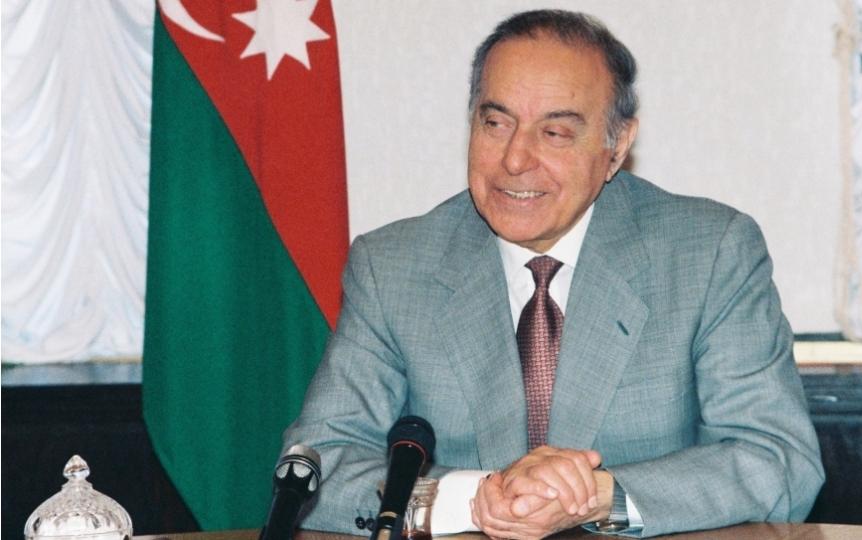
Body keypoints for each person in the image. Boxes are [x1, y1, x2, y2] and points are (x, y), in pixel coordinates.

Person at [284, 9, 824, 539]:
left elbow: (778, 461)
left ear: (617, 147)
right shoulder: (394, 266)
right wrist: (474, 499)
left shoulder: (708, 254)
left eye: (556, 133)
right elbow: (316, 466)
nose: (515, 159)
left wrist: (599, 496)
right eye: (495, 123)